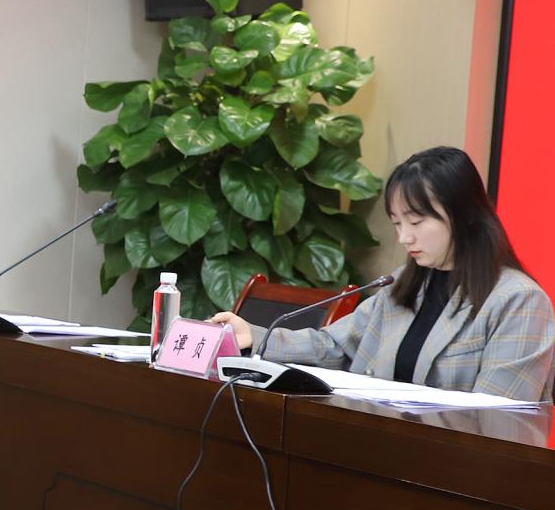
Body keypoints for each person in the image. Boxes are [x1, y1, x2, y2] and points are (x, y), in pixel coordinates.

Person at [211, 146, 554, 401]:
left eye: (416, 222)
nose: (405, 238)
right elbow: (334, 346)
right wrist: (254, 337)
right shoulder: (404, 283)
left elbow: (499, 416)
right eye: (397, 223)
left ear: (463, 215)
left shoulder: (518, 301)